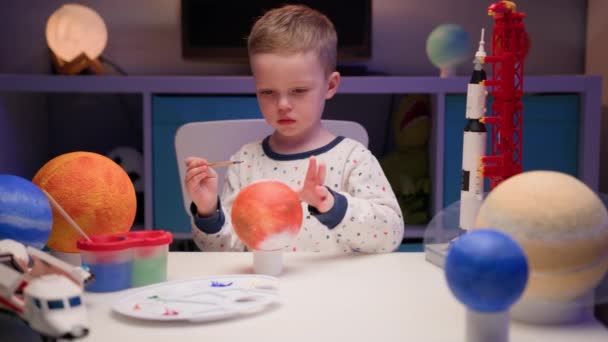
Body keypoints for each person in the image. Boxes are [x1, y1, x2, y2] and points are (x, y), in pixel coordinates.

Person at [184, 4, 404, 253]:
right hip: (265, 289)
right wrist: (208, 210)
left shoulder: (352, 159)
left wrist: (331, 204)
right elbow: (224, 252)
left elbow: (391, 234)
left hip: (337, 290)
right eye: (267, 92)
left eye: (298, 91)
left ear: (330, 86)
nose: (283, 105)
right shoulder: (245, 162)